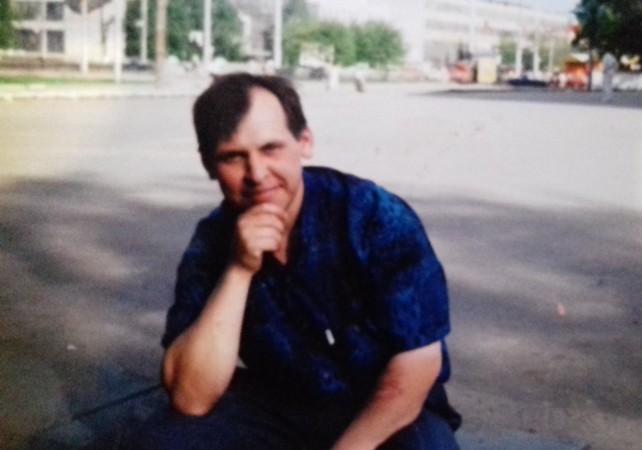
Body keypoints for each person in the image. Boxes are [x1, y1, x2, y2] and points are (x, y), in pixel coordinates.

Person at [132, 73, 461, 449]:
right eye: (233, 157)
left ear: (304, 143)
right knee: (161, 443)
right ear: (209, 165)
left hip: (385, 408)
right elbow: (191, 396)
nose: (257, 174)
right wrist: (238, 270)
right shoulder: (213, 239)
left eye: (270, 149)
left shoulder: (372, 216)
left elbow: (415, 369)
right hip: (282, 402)